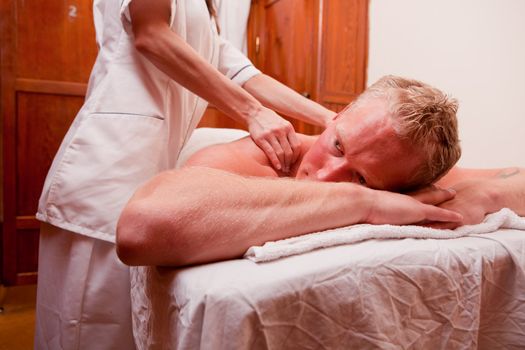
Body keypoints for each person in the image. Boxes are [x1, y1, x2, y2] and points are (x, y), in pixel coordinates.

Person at [34, 1, 335, 349]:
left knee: (123, 324)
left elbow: (245, 74)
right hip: (108, 165)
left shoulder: (204, 16)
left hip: (150, 173)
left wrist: (331, 120)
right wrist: (253, 112)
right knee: (87, 325)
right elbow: (151, 35)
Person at [116, 76, 470, 267]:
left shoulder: (402, 174)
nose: (325, 177)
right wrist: (363, 201)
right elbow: (138, 232)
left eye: (361, 178)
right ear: (340, 114)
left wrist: (486, 195)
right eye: (337, 146)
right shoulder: (255, 159)